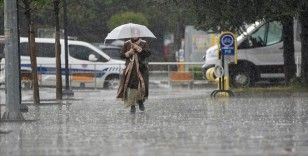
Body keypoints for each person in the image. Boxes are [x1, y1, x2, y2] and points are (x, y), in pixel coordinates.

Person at [116, 37, 151, 113]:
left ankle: (140, 101)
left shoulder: (143, 43)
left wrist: (139, 49)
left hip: (141, 69)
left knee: (141, 87)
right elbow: (121, 55)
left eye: (136, 33)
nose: (135, 35)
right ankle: (132, 106)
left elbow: (148, 53)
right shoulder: (127, 43)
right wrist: (129, 53)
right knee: (132, 87)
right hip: (130, 70)